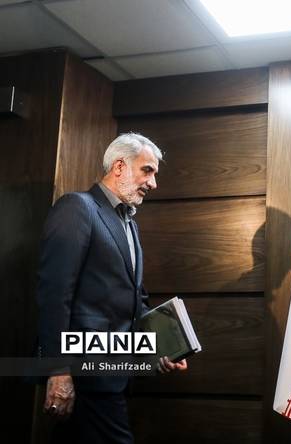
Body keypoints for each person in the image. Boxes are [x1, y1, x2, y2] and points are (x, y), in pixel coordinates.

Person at [36, 133, 187, 443]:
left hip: (114, 373)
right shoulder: (77, 207)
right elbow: (54, 294)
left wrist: (160, 348)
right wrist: (58, 370)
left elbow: (135, 301)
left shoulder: (130, 223)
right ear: (119, 166)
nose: (153, 183)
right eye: (147, 170)